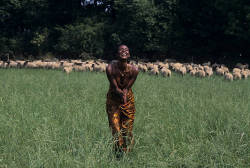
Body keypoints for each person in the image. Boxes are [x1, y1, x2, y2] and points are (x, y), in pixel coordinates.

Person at [106, 45, 139, 153]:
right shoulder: (110, 68)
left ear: (129, 54)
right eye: (121, 50)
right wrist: (121, 94)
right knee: (115, 127)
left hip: (128, 101)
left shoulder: (135, 70)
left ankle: (126, 152)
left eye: (126, 50)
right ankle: (117, 151)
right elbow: (115, 87)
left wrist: (125, 94)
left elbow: (127, 87)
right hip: (114, 100)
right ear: (117, 54)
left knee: (127, 129)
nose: (124, 51)